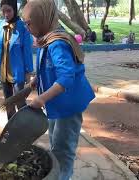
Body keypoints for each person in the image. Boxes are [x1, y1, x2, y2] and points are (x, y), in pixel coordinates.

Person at [22, 1, 95, 180]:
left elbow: (66, 78)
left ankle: (63, 177)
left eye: (29, 22)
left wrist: (42, 99)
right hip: (57, 105)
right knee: (56, 143)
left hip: (67, 107)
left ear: (42, 20)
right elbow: (48, 67)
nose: (26, 27)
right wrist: (37, 80)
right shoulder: (46, 39)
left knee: (63, 150)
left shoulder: (57, 43)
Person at [0, 0, 34, 120]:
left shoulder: (23, 27)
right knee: (8, 101)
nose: (6, 14)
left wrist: (28, 71)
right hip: (3, 70)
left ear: (14, 10)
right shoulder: (0, 24)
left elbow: (27, 50)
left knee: (19, 101)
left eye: (9, 11)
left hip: (18, 71)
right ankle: (10, 126)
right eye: (3, 11)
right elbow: (0, 45)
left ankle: (24, 124)